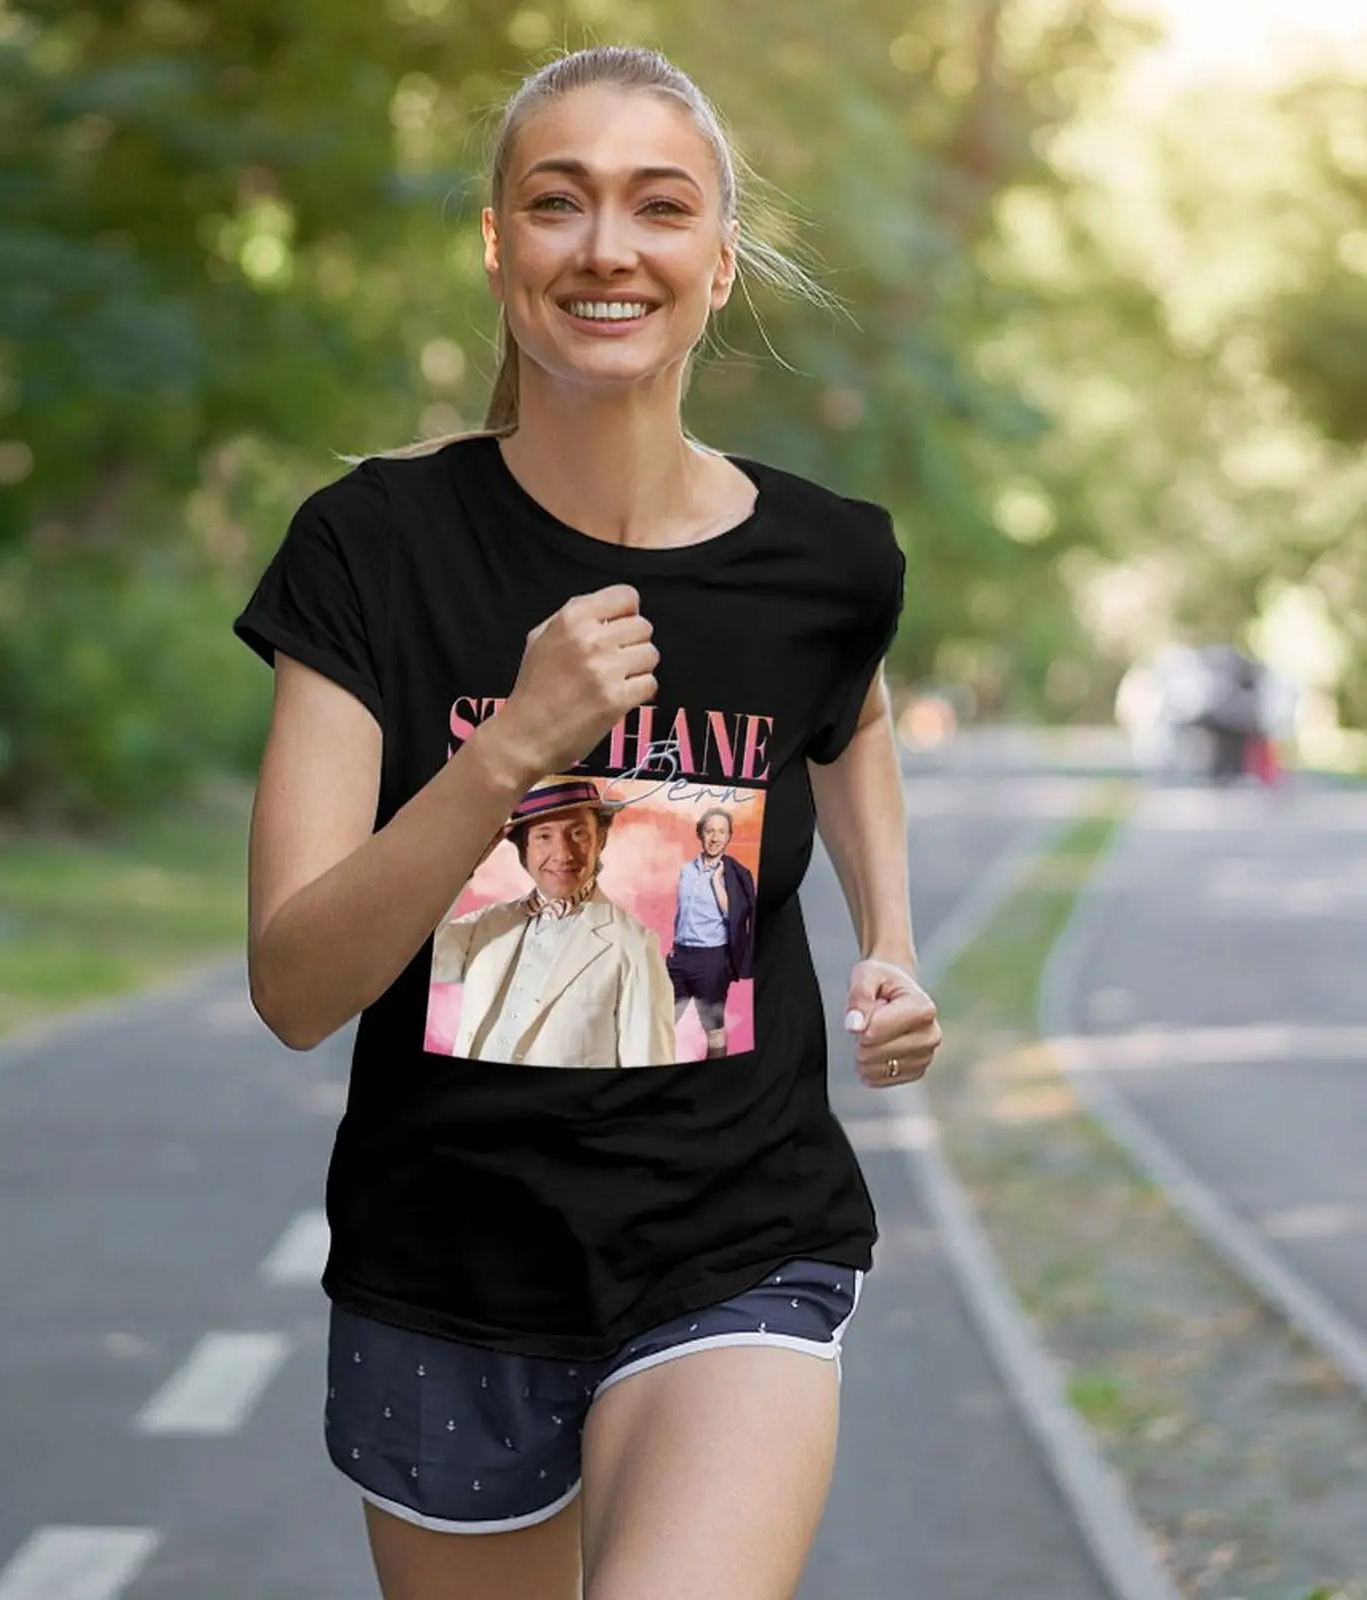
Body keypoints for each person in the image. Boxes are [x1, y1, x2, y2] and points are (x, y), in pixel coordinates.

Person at [236, 44, 940, 1600]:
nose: (607, 246)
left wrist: (890, 938)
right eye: (557, 204)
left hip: (738, 1242)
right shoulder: (374, 550)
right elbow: (295, 987)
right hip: (446, 1276)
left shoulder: (828, 561)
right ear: (499, 245)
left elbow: (858, 714)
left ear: (717, 258)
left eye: (657, 207)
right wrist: (513, 756)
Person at [432, 775, 677, 1067]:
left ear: (601, 840)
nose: (562, 854)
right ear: (524, 849)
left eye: (578, 834)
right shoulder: (487, 924)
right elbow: (417, 959)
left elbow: (647, 1076)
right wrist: (461, 867)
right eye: (544, 836)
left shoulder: (635, 945)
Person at [667, 805, 756, 1058]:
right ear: (701, 834)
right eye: (709, 831)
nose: (715, 838)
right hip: (680, 957)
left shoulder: (734, 874)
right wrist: (674, 948)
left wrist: (717, 883)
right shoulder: (686, 870)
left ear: (729, 837)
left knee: (713, 1029)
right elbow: (681, 913)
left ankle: (715, 1084)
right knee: (661, 1023)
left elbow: (736, 916)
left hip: (711, 960)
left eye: (721, 832)